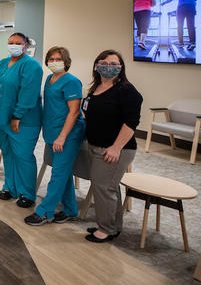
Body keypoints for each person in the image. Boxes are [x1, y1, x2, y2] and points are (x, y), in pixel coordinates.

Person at [82, 50, 142, 243]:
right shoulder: (96, 87)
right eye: (104, 62)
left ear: (121, 68)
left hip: (116, 149)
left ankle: (106, 229)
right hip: (96, 145)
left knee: (103, 187)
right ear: (96, 65)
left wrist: (116, 147)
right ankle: (113, 226)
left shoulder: (126, 90)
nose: (109, 66)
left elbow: (131, 123)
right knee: (108, 187)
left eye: (114, 63)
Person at [24, 46, 85, 226]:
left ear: (66, 61)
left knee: (58, 174)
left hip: (68, 135)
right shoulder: (50, 79)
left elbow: (74, 112)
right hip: (52, 132)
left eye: (58, 59)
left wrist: (62, 137)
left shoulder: (72, 82)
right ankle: (70, 209)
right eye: (51, 59)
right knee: (62, 172)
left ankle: (45, 211)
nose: (54, 62)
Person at [0, 32, 43, 208]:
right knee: (9, 154)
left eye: (18, 43)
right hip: (2, 118)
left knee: (23, 156)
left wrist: (17, 116)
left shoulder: (31, 66)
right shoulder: (2, 63)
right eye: (11, 42)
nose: (14, 45)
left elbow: (28, 94)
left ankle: (27, 193)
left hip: (23, 121)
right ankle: (10, 187)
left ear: (25, 45)